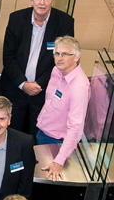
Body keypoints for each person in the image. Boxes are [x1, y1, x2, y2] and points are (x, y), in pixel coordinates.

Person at [1, 0, 75, 135]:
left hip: (44, 91)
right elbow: (8, 56)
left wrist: (38, 84)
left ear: (53, 1)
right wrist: (23, 84)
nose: (42, 3)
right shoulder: (16, 19)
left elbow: (63, 61)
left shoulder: (65, 22)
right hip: (16, 87)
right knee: (11, 133)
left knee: (37, 136)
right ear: (31, 0)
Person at [36, 35, 91, 181]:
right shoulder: (56, 71)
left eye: (65, 54)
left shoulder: (79, 87)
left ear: (77, 57)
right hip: (43, 132)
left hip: (57, 144)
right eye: (57, 53)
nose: (59, 58)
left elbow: (76, 127)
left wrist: (59, 160)